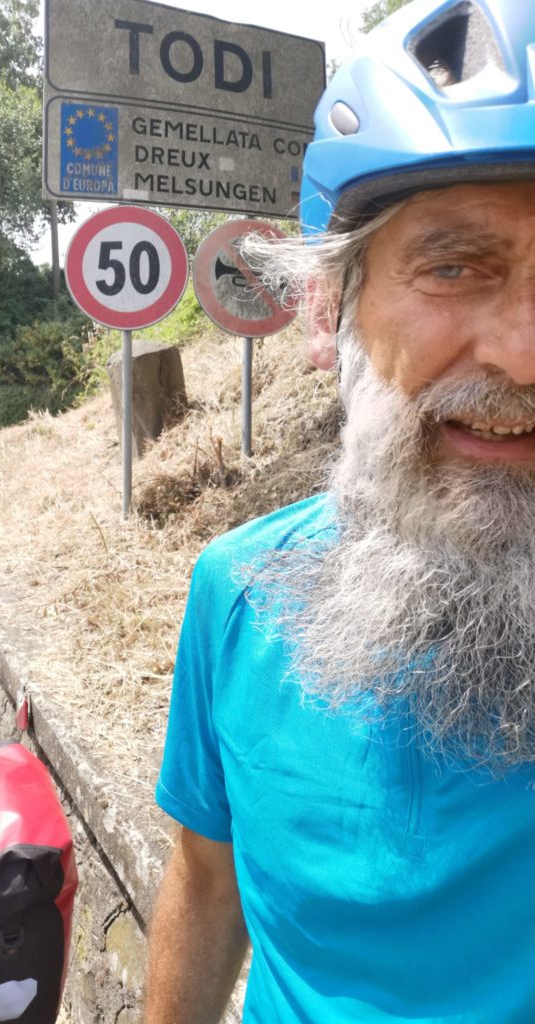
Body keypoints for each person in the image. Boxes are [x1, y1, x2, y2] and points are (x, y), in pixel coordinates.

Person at [143, 1, 535, 1021]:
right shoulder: (236, 593)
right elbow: (207, 879)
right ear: (329, 312)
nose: (526, 355)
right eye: (456, 267)